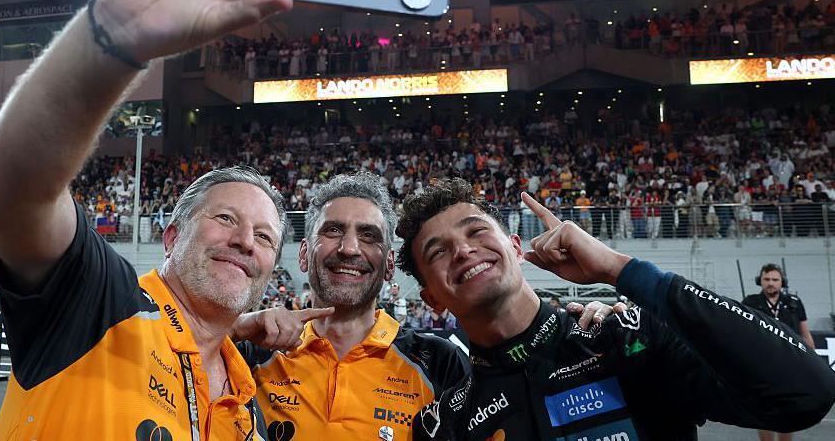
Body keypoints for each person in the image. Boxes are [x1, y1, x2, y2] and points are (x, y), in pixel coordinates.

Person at [0, 0, 319, 440]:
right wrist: (111, 36)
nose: (248, 241)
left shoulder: (247, 405)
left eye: (266, 237)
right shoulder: (98, 302)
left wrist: (238, 332)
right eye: (226, 219)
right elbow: (9, 195)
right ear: (172, 234)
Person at [396, 178, 835, 440]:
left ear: (516, 247)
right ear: (431, 297)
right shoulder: (443, 423)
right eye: (438, 251)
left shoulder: (629, 339)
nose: (464, 250)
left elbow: (806, 393)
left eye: (476, 231)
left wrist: (621, 270)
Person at [234, 173, 618, 441]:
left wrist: (589, 318)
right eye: (333, 230)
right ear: (303, 255)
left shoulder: (440, 362)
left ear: (388, 266)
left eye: (368, 236)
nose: (349, 248)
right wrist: (231, 328)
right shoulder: (249, 350)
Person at [743, 263, 816, 441]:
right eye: (766, 279)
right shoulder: (750, 302)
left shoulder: (794, 303)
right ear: (759, 281)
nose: (770, 283)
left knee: (789, 410)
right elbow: (742, 335)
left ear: (782, 282)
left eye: (775, 279)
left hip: (790, 365)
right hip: (761, 365)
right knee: (763, 411)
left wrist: (813, 362)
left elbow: (805, 334)